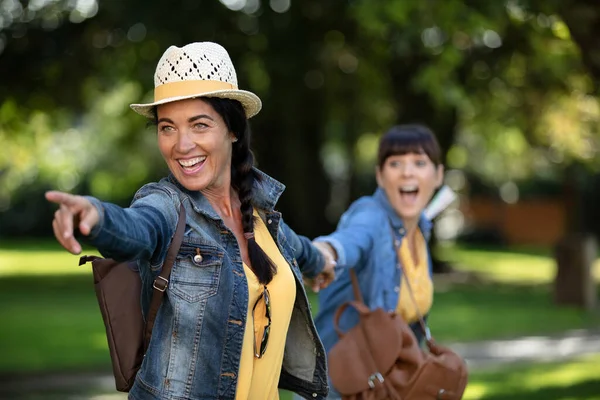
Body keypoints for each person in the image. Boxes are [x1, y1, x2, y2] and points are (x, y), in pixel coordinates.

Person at [45, 42, 335, 400]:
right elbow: (136, 228)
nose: (182, 145)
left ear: (232, 129)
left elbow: (298, 249)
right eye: (167, 127)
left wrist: (323, 259)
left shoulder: (257, 212)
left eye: (199, 125)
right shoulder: (165, 206)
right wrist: (96, 217)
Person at [310, 124, 444, 399]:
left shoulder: (420, 229)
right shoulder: (370, 216)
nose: (407, 172)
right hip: (339, 387)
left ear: (438, 175)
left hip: (383, 388)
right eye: (395, 163)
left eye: (419, 162)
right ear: (380, 177)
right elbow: (350, 239)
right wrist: (323, 254)